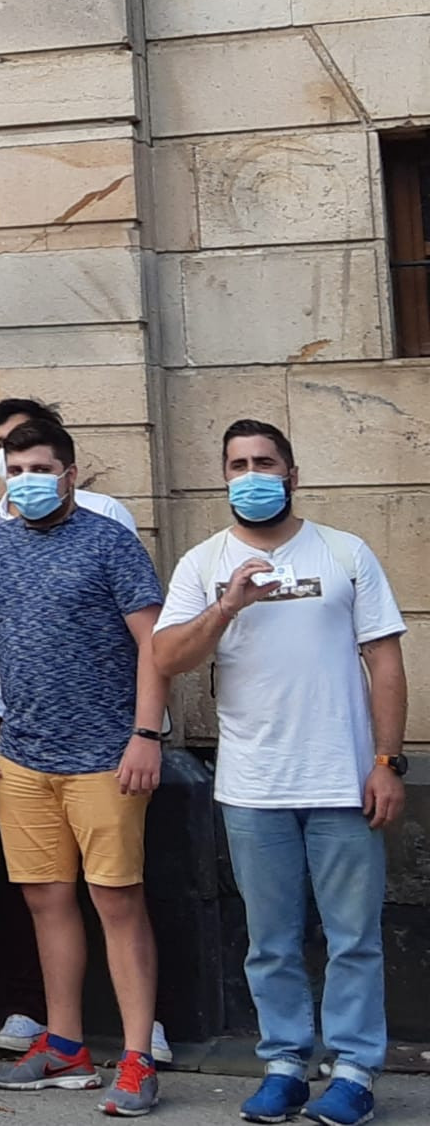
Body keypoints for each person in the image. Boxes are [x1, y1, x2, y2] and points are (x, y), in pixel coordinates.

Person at [153, 420, 408, 1126]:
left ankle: (354, 1069)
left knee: (352, 936)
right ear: (224, 477)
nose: (252, 473)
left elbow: (384, 661)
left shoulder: (345, 552)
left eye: (265, 461)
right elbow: (167, 657)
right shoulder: (205, 564)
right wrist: (228, 604)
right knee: (270, 942)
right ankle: (286, 1065)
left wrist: (388, 762)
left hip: (343, 779)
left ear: (292, 473)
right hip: (254, 787)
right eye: (238, 464)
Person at [0, 419, 167, 1117]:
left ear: (70, 473)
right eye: (14, 469)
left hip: (106, 756)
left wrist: (146, 734)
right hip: (23, 756)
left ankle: (137, 1058)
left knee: (117, 901)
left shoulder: (112, 543)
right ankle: (66, 1043)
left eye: (40, 468)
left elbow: (153, 645)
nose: (26, 481)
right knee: (46, 901)